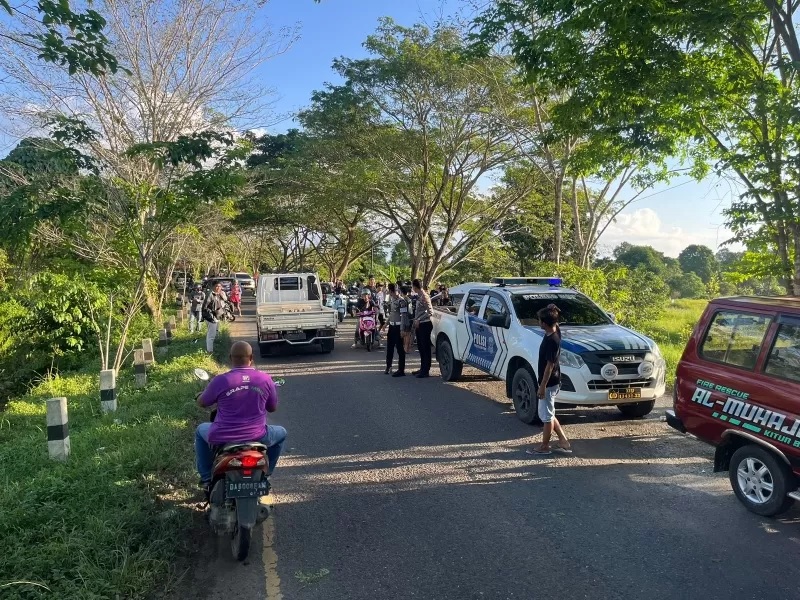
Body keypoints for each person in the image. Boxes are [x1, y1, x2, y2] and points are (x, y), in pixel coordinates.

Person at [195, 341, 287, 494]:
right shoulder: (265, 379)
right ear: (251, 357)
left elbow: (203, 403)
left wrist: (198, 396)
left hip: (222, 436)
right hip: (258, 436)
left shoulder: (221, 380)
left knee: (200, 430)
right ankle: (267, 473)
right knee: (282, 432)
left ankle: (205, 478)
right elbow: (272, 408)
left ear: (231, 358)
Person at [527, 304, 572, 455]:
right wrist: (552, 309)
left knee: (546, 417)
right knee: (549, 413)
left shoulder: (552, 340)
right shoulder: (555, 331)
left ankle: (544, 446)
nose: (538, 322)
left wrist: (542, 387)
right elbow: (555, 320)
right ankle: (563, 441)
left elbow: (549, 366)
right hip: (553, 382)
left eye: (540, 320)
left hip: (549, 383)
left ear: (544, 324)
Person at [384, 283, 410, 376]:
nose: (392, 293)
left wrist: (402, 329)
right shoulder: (392, 300)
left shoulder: (401, 301)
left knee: (399, 349)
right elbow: (391, 314)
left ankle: (401, 369)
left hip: (399, 327)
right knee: (389, 348)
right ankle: (388, 366)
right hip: (391, 326)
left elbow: (403, 316)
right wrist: (386, 324)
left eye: (393, 291)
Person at [411, 279, 433, 378]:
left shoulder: (424, 296)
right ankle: (422, 368)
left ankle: (426, 370)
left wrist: (419, 319)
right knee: (420, 347)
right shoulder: (419, 296)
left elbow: (430, 312)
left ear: (415, 287)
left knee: (425, 348)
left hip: (425, 324)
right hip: (419, 325)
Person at [202, 282, 226, 353]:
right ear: (213, 287)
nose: (218, 288)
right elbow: (205, 307)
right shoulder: (210, 294)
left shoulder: (218, 294)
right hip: (211, 317)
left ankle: (215, 348)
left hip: (216, 317)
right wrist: (211, 316)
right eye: (216, 286)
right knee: (211, 335)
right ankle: (210, 352)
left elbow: (222, 302)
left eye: (219, 286)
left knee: (216, 333)